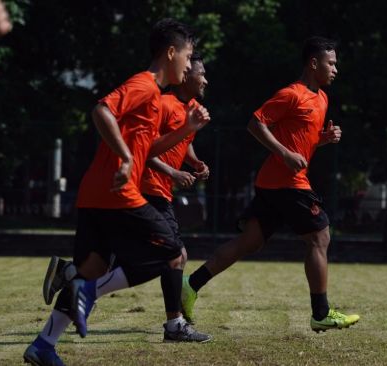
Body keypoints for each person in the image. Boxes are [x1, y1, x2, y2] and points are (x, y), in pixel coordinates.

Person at [23, 18, 210, 366]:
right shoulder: (145, 85)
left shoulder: (156, 97)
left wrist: (185, 130)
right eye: (187, 55)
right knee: (172, 252)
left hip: (95, 194)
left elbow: (148, 148)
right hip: (118, 194)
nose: (189, 63)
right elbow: (102, 110)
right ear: (170, 53)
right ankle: (84, 290)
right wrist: (125, 158)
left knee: (91, 268)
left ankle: (43, 345)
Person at [180, 36, 360, 333]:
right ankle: (321, 312)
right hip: (288, 183)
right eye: (331, 63)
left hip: (272, 183)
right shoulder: (292, 94)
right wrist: (285, 154)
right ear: (314, 64)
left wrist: (322, 140)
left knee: (248, 242)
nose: (335, 70)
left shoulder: (323, 99)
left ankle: (191, 284)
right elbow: (255, 123)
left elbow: (301, 141)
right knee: (320, 237)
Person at [140, 51, 211, 342]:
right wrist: (173, 173)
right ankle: (175, 324)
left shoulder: (194, 108)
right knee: (176, 256)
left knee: (149, 255)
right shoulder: (164, 104)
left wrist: (194, 163)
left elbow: (184, 142)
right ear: (186, 75)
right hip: (149, 187)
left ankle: (72, 274)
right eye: (201, 73)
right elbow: (144, 149)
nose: (205, 79)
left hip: (162, 191)